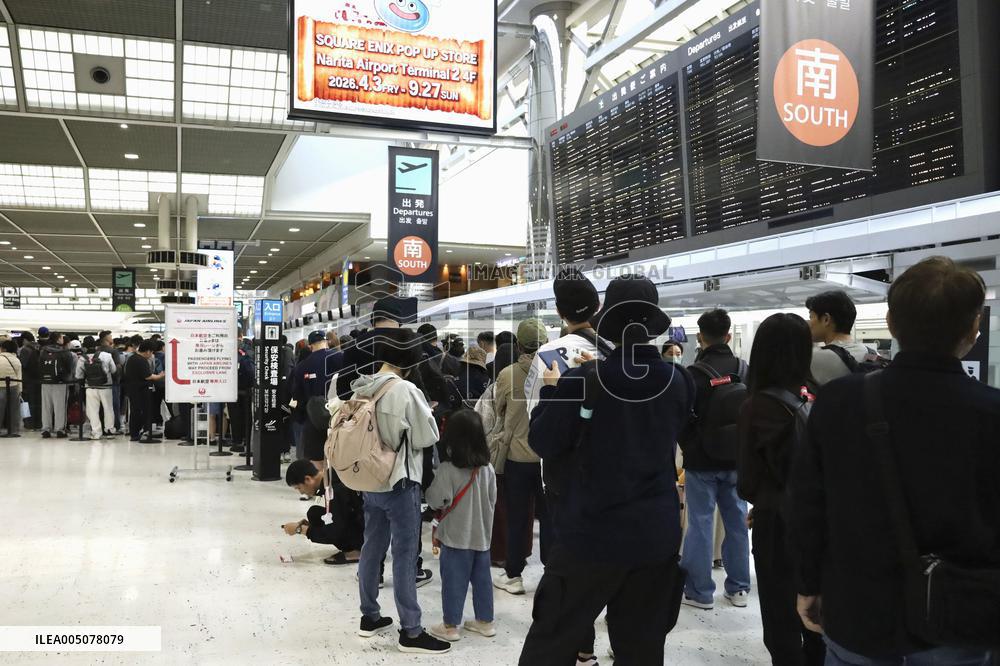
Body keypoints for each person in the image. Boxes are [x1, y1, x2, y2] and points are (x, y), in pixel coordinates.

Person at [791, 257, 1000, 666]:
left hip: (858, 610)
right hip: (961, 616)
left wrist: (808, 583)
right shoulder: (992, 413)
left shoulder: (839, 402)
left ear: (890, 322)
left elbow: (807, 505)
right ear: (974, 328)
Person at [519, 275, 692, 665]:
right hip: (655, 536)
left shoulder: (584, 379)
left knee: (551, 642)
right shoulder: (679, 380)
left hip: (591, 534)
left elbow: (543, 441)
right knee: (642, 649)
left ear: (608, 318)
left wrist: (554, 389)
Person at [349, 327, 450, 655]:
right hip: (399, 482)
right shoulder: (405, 390)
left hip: (369, 481)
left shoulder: (363, 385)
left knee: (371, 547)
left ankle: (370, 616)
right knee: (405, 555)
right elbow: (427, 436)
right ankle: (411, 631)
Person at [738, 314, 824, 665]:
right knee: (816, 617)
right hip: (819, 520)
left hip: (777, 522)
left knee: (780, 619)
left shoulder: (758, 405)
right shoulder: (816, 394)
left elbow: (748, 481)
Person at [679, 309, 752, 610]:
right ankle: (739, 589)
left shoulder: (693, 374)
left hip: (701, 460)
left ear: (700, 337)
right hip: (737, 458)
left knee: (700, 523)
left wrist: (689, 447)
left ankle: (700, 592)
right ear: (728, 335)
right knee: (737, 522)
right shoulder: (744, 369)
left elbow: (682, 418)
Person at [425, 409, 498, 643]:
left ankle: (450, 626)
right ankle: (485, 622)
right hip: (482, 536)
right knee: (483, 581)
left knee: (453, 583)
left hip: (456, 538)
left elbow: (436, 499)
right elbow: (493, 499)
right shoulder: (488, 469)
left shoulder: (448, 470)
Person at [492, 318, 551, 596]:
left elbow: (498, 409)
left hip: (517, 458)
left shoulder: (507, 374)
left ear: (518, 345)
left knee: (516, 518)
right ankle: (551, 575)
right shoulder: (558, 370)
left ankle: (514, 575)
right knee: (550, 519)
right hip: (549, 460)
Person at [524, 267, 604, 416]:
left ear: (559, 313)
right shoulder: (617, 347)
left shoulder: (547, 354)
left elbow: (533, 412)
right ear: (598, 305)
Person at [475, 341, 521, 568]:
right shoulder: (530, 384)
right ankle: (521, 551)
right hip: (524, 453)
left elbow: (481, 422)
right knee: (521, 506)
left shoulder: (493, 389)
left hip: (496, 454)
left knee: (498, 504)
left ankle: (500, 553)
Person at [283, 460, 365, 564]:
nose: (301, 492)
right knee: (314, 513)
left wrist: (300, 530)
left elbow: (334, 531)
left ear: (308, 479)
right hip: (359, 520)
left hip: (366, 531)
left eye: (299, 487)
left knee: (328, 528)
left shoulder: (335, 489)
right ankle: (352, 547)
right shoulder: (330, 478)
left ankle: (358, 551)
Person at [336, 296, 405, 400]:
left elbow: (343, 392)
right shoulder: (413, 344)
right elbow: (425, 390)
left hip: (367, 408)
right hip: (404, 407)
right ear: (400, 320)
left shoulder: (355, 346)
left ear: (373, 319)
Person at [291, 330, 343, 461]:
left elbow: (297, 395)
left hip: (312, 420)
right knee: (337, 460)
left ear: (310, 346)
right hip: (338, 418)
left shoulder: (302, 366)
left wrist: (301, 417)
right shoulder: (341, 358)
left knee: (316, 461)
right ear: (326, 342)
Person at [806, 290, 870, 386]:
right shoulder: (871, 353)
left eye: (811, 317)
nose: (809, 323)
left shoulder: (816, 357)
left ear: (826, 319)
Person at [77, 336, 116, 441]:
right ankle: (109, 430)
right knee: (108, 408)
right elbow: (113, 370)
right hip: (106, 386)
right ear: (96, 346)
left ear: (84, 347)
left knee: (93, 410)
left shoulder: (82, 358)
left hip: (90, 387)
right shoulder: (107, 355)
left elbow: (78, 375)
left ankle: (96, 432)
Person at [124, 341, 164, 443]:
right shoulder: (141, 360)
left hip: (132, 388)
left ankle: (134, 434)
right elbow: (148, 376)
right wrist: (160, 376)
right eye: (151, 352)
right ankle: (141, 433)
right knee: (142, 411)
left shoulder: (132, 358)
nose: (151, 355)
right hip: (141, 390)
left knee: (135, 411)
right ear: (147, 351)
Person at [38, 331, 75, 439]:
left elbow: (39, 364)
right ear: (58, 339)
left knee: (46, 406)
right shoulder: (64, 351)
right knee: (60, 406)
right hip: (60, 382)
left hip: (45, 382)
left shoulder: (43, 351)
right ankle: (60, 429)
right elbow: (69, 367)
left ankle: (46, 429)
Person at [98, 330, 124, 434]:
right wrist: (118, 378)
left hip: (98, 383)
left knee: (101, 406)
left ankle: (102, 426)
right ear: (107, 339)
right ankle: (115, 426)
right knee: (113, 406)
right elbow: (117, 368)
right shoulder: (113, 351)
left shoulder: (97, 351)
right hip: (112, 382)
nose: (112, 338)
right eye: (110, 336)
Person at [18, 331, 40, 430]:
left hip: (27, 380)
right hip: (39, 380)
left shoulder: (25, 350)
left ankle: (28, 423)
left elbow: (23, 365)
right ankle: (38, 422)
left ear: (25, 340)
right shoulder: (40, 348)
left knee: (26, 402)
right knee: (37, 402)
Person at [0, 339, 22, 436]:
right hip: (14, 386)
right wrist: (20, 390)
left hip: (1, 386)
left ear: (4, 349)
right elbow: (19, 377)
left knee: (0, 409)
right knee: (14, 409)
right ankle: (14, 430)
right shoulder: (16, 360)